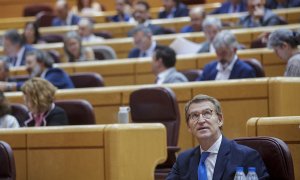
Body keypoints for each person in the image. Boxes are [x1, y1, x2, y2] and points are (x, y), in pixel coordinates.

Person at [167, 94, 269, 179]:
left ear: (220, 120)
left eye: (207, 113)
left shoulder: (246, 156)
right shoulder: (183, 160)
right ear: (189, 126)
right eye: (194, 116)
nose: (201, 121)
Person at [0, 50, 74, 91]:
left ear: (41, 63)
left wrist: (9, 86)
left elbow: (39, 87)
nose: (26, 67)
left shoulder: (56, 73)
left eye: (29, 63)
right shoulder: (40, 76)